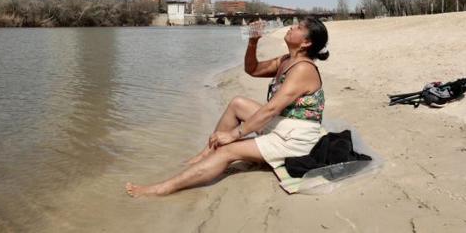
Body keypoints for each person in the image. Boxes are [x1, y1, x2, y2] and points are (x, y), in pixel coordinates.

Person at [125, 16, 329, 197]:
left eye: (299, 27)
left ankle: (164, 188)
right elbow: (253, 69)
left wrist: (234, 135)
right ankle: (205, 155)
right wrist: (252, 42)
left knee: (228, 151)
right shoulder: (287, 60)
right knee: (237, 103)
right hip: (284, 124)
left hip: (295, 138)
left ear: (306, 42)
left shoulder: (303, 68)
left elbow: (271, 109)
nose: (292, 27)